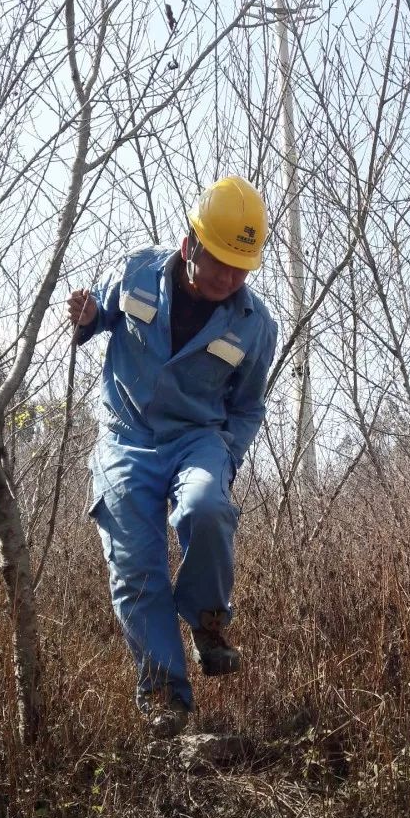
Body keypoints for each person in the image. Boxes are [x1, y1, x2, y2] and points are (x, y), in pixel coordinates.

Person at [67, 176, 278, 738]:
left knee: (208, 506)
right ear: (191, 245)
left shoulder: (257, 327)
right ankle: (165, 693)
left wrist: (226, 457)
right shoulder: (136, 270)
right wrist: (87, 318)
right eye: (222, 263)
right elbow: (100, 317)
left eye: (243, 267)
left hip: (198, 438)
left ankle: (209, 622)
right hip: (125, 434)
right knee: (137, 566)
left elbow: (248, 406)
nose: (231, 278)